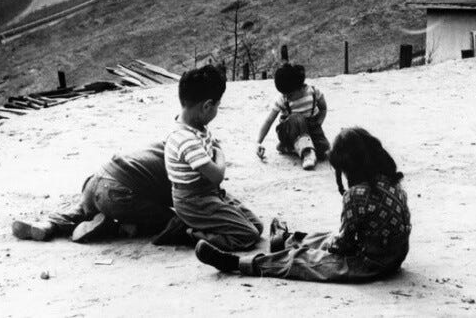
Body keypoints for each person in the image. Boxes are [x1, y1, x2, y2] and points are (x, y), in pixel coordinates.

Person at [197, 127, 411, 282]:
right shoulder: (391, 181)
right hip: (395, 255)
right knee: (325, 237)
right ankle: (287, 239)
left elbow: (343, 245)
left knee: (300, 260)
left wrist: (330, 248)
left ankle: (237, 263)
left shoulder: (355, 195)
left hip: (370, 264)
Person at [11, 142, 193, 245]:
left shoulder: (161, 147)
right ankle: (115, 227)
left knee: (82, 209)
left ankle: (48, 225)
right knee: (175, 221)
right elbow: (185, 201)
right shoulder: (186, 166)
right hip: (119, 194)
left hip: (96, 180)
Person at [165, 65, 263, 250]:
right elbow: (217, 175)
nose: (217, 110)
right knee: (248, 235)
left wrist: (215, 151)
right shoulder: (185, 139)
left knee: (257, 226)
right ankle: (189, 233)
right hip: (194, 202)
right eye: (217, 106)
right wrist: (220, 154)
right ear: (207, 106)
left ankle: (202, 225)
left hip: (209, 194)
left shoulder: (196, 127)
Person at [256, 62, 329, 170]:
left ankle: (289, 148)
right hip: (289, 131)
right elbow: (269, 121)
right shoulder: (283, 99)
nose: (286, 96)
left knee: (324, 148)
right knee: (297, 118)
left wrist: (319, 122)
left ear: (300, 87)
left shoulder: (313, 92)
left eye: (289, 94)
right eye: (284, 93)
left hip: (310, 129)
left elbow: (323, 108)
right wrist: (258, 142)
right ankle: (307, 154)